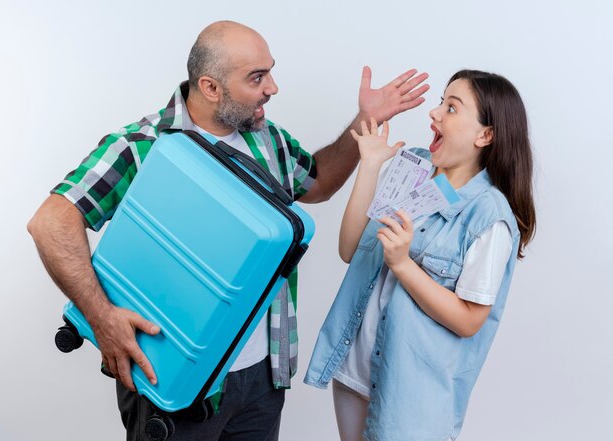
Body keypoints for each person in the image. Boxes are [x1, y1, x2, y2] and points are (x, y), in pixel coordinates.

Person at [27, 20, 429, 441]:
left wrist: (364, 120)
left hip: (261, 377)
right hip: (175, 379)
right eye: (257, 77)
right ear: (210, 87)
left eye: (270, 71)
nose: (272, 87)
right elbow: (50, 222)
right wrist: (101, 316)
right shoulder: (142, 145)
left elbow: (319, 180)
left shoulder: (266, 139)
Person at [304, 70, 536, 441]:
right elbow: (350, 250)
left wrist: (402, 265)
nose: (435, 113)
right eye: (441, 102)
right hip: (353, 372)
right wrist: (370, 165)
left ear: (485, 135)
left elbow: (469, 320)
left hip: (410, 397)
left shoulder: (489, 215)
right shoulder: (411, 167)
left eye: (451, 108)